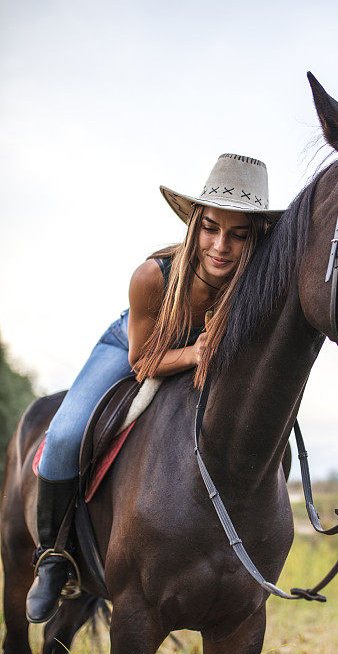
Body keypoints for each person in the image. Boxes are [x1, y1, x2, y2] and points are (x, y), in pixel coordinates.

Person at [26, 153, 283, 624]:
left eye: (238, 233)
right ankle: (52, 558)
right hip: (137, 344)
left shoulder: (254, 282)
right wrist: (195, 354)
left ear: (255, 237)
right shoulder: (153, 276)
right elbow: (142, 360)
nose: (221, 245)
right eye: (211, 228)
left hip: (204, 355)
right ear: (194, 225)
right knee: (63, 436)